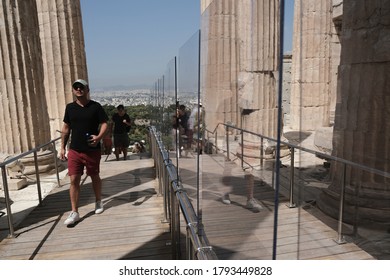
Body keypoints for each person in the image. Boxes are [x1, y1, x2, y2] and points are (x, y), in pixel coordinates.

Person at [60, 79, 108, 226]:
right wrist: (62, 147)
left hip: (92, 150)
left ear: (87, 90)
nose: (79, 89)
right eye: (76, 87)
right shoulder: (70, 108)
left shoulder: (96, 107)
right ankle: (74, 211)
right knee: (74, 179)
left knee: (94, 176)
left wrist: (99, 137)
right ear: (73, 90)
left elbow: (105, 123)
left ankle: (98, 201)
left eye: (81, 87)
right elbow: (66, 128)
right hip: (74, 149)